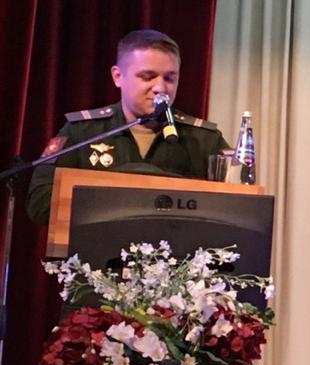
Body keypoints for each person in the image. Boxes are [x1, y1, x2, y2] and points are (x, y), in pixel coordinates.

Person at [26, 30, 230, 224]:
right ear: (117, 77)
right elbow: (39, 203)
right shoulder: (82, 132)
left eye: (169, 78)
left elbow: (236, 203)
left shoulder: (203, 139)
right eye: (147, 77)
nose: (160, 88)